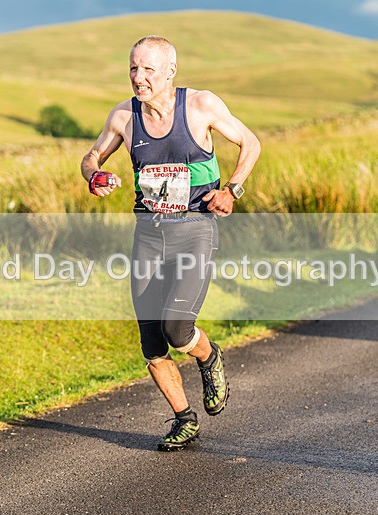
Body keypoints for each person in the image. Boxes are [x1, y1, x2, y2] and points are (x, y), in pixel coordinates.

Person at [80, 35, 260, 451]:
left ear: (170, 72)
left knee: (178, 329)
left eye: (147, 69)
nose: (138, 78)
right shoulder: (124, 116)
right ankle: (184, 419)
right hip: (148, 236)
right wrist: (95, 175)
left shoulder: (200, 105)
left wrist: (232, 190)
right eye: (132, 68)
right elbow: (91, 157)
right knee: (151, 340)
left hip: (194, 228)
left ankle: (208, 355)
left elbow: (250, 143)